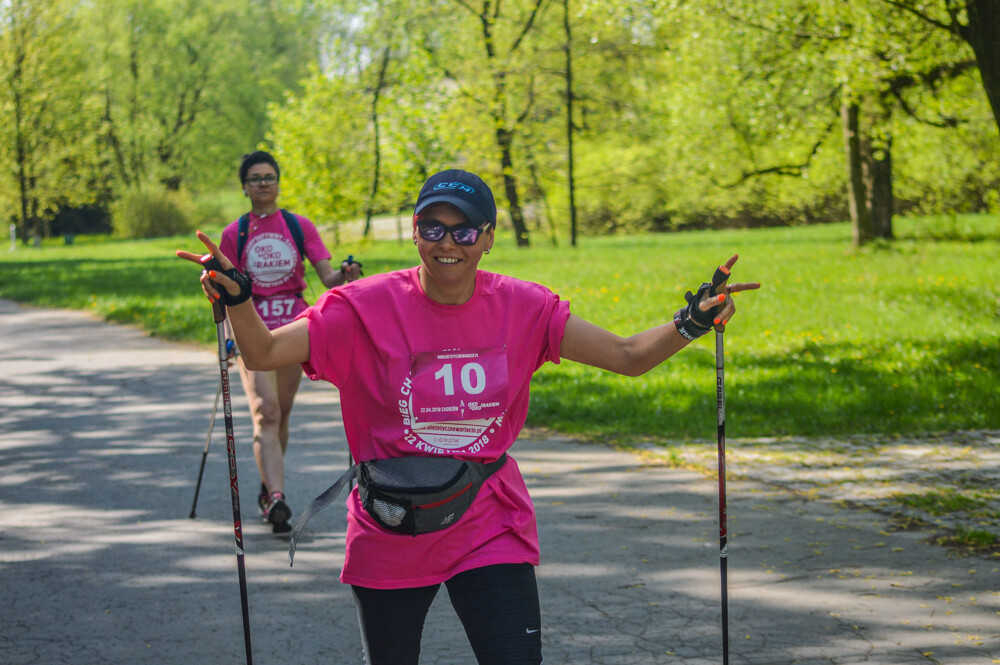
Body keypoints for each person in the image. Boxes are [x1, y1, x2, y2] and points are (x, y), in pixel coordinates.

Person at [178, 168, 760, 664]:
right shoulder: (362, 308)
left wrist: (692, 324)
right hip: (391, 523)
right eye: (432, 226)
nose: (446, 242)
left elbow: (629, 358)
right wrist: (239, 301)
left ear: (487, 238)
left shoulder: (524, 307)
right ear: (414, 232)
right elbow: (263, 354)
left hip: (489, 520)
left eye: (463, 229)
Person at [222, 151, 362, 534]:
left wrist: (346, 274)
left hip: (294, 331)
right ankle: (278, 497)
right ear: (245, 187)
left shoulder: (299, 227)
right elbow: (225, 291)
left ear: (278, 183)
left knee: (280, 414)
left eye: (269, 177)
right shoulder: (235, 235)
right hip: (253, 329)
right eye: (255, 178)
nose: (263, 183)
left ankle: (269, 491)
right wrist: (229, 338)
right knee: (265, 411)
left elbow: (329, 277)